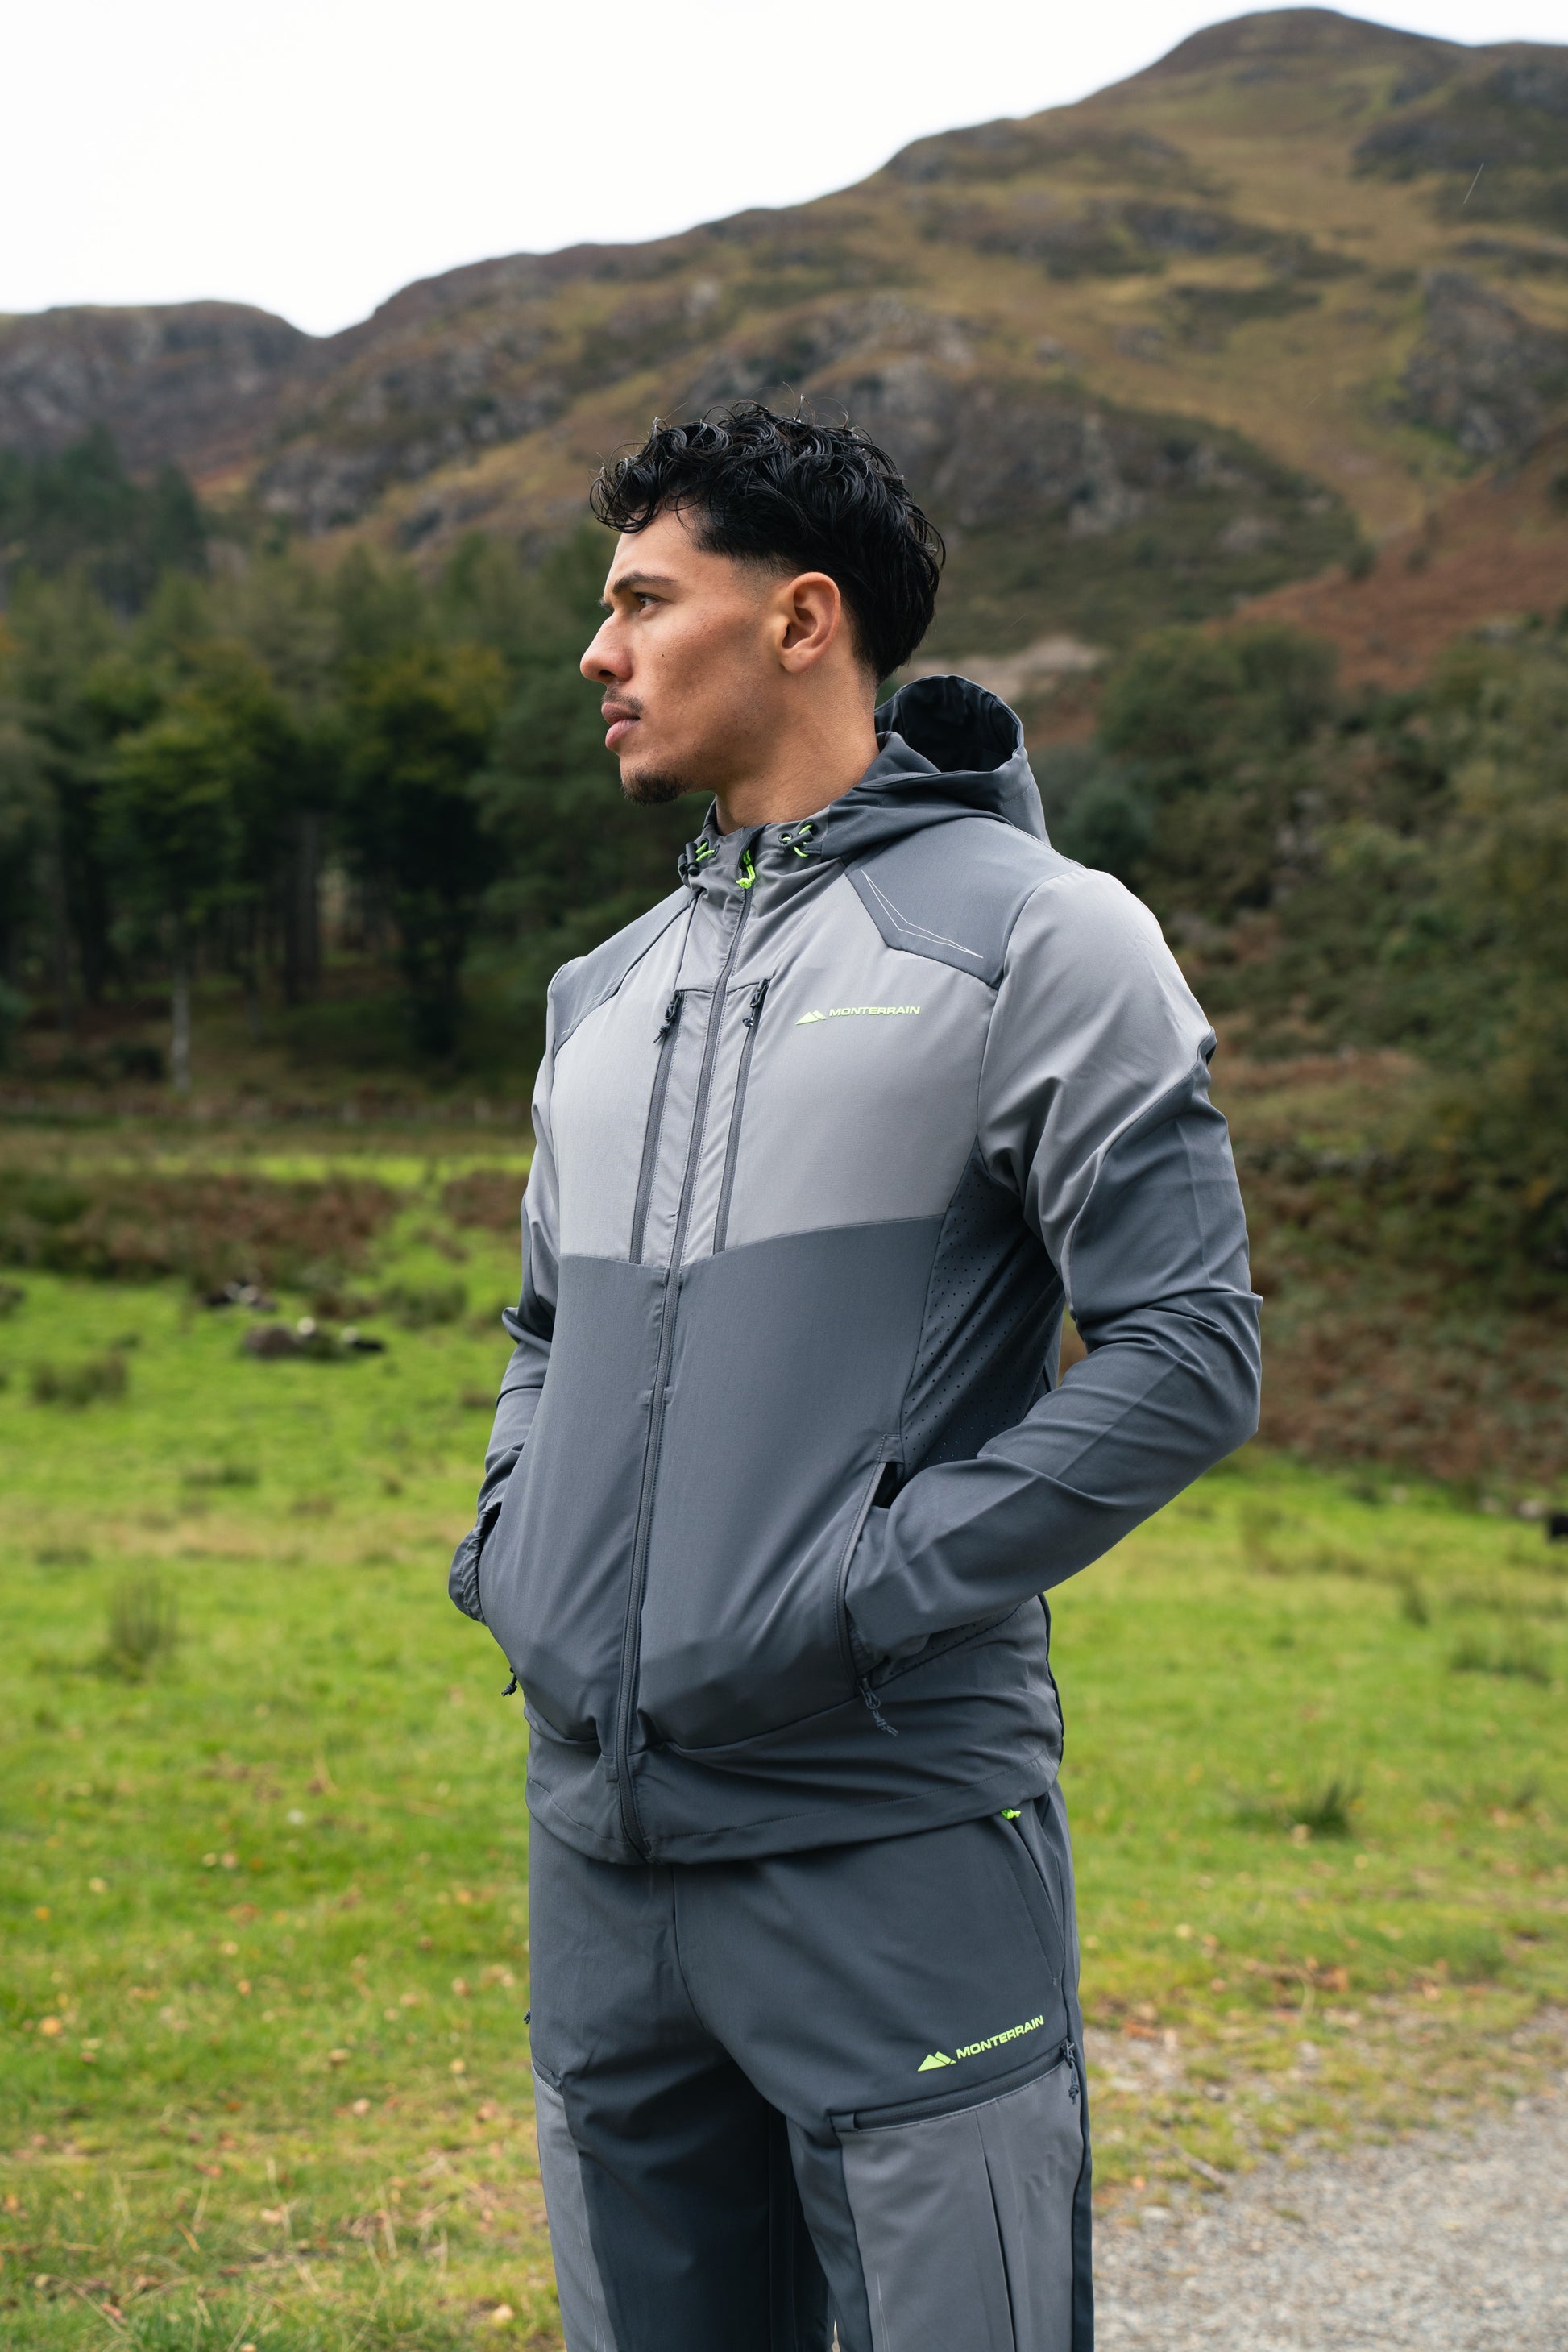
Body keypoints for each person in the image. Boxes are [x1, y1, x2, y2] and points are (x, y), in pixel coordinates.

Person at [450, 402, 1261, 2351]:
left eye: (645, 600)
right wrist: (511, 1552)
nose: (599, 651)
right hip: (603, 1861)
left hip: (887, 1841)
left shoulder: (1044, 936)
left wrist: (855, 1594)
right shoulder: (601, 994)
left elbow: (1187, 1348)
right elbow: (543, 1333)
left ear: (802, 618)